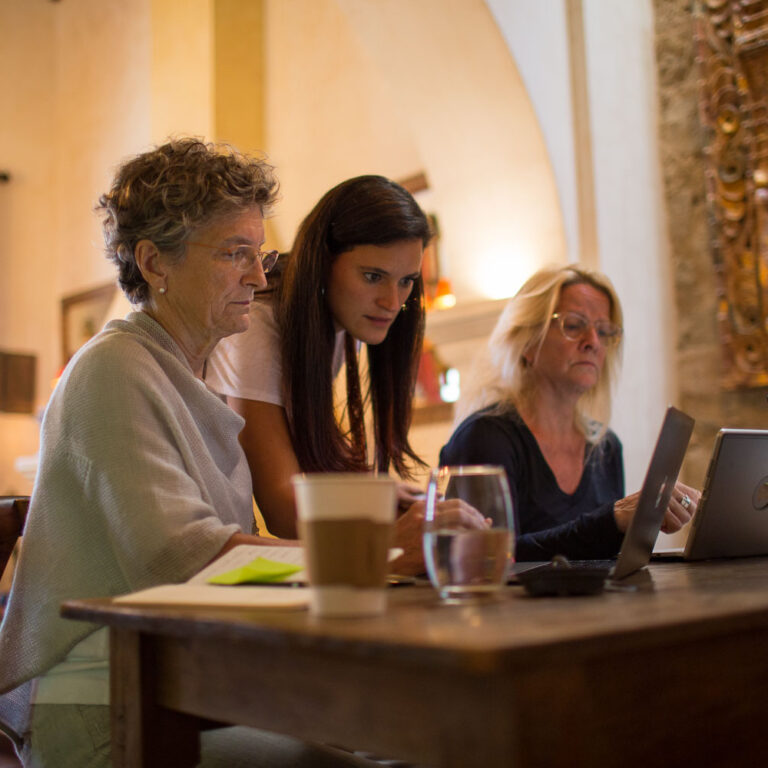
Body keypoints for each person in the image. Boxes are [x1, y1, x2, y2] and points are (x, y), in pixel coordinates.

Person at [0, 138, 385, 768]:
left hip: (178, 692)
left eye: (259, 254)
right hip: (102, 711)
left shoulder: (185, 374)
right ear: (154, 262)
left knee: (381, 740)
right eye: (235, 254)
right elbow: (179, 557)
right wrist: (363, 559)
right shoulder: (113, 369)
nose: (260, 277)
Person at [206, 176, 483, 574]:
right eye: (372, 276)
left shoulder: (342, 325)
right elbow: (284, 510)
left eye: (406, 281)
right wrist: (388, 532)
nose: (392, 302)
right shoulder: (261, 323)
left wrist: (382, 494)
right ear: (324, 261)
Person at [439, 264, 700, 561]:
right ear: (527, 341)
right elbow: (486, 558)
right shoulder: (485, 437)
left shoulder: (606, 447)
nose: (593, 342)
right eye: (574, 325)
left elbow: (605, 559)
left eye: (604, 331)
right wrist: (614, 518)